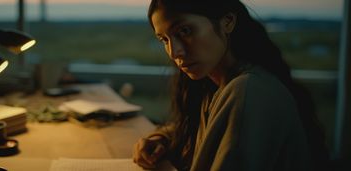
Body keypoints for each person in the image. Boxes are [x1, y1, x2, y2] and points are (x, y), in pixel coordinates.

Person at [132, 0, 330, 170]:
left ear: (227, 22)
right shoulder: (213, 85)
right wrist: (162, 139)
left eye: (185, 30)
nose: (174, 52)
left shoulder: (248, 91)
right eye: (164, 39)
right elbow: (202, 130)